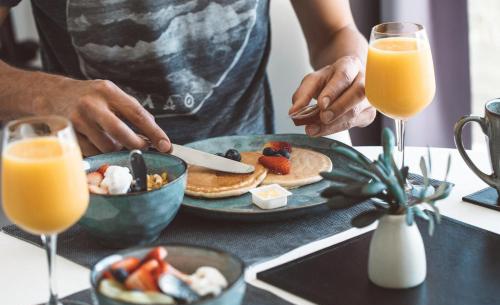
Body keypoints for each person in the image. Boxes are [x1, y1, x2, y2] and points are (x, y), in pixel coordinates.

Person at [0, 0, 375, 156]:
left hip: (252, 184)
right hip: (93, 194)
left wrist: (353, 73)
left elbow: (334, 32)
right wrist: (43, 95)